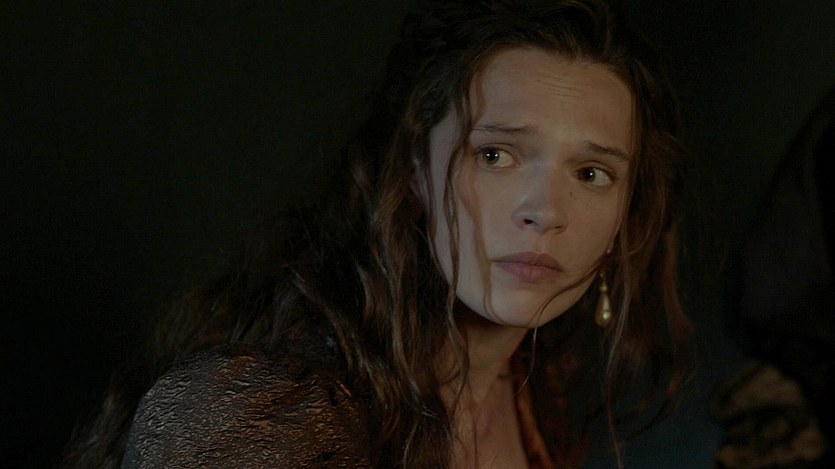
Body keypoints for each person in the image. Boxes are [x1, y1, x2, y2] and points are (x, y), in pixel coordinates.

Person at [62, 0, 693, 467]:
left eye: (591, 173)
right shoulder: (263, 414)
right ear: (414, 169)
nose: (546, 212)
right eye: (496, 155)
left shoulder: (534, 386)